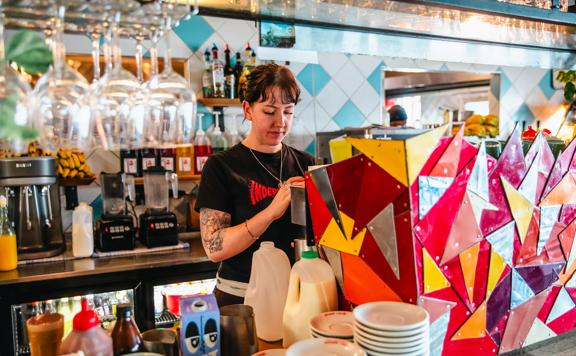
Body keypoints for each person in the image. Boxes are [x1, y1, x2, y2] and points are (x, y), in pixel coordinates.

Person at [195, 63, 315, 306]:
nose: (280, 122)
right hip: (240, 300)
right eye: (270, 112)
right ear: (248, 110)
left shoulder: (306, 163)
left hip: (297, 295)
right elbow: (214, 247)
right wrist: (271, 212)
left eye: (288, 112)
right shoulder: (221, 166)